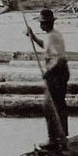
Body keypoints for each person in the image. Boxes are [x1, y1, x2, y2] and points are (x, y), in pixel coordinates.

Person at [25, 8, 69, 147]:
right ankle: (61, 136)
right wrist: (32, 36)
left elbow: (59, 59)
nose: (40, 25)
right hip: (59, 73)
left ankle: (55, 139)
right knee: (57, 105)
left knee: (51, 106)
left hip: (58, 74)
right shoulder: (53, 35)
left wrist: (49, 72)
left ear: (46, 24)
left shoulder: (53, 36)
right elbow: (46, 47)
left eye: (42, 23)